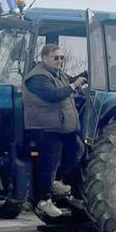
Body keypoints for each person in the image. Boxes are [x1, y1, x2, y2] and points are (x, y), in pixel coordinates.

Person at [22, 43, 86, 218]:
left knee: (77, 151)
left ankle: (57, 183)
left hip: (63, 128)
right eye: (55, 57)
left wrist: (85, 75)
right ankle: (44, 201)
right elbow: (54, 95)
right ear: (44, 58)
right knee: (48, 164)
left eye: (61, 57)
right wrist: (74, 86)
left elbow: (71, 80)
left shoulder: (58, 74)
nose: (59, 61)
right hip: (46, 129)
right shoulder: (37, 77)